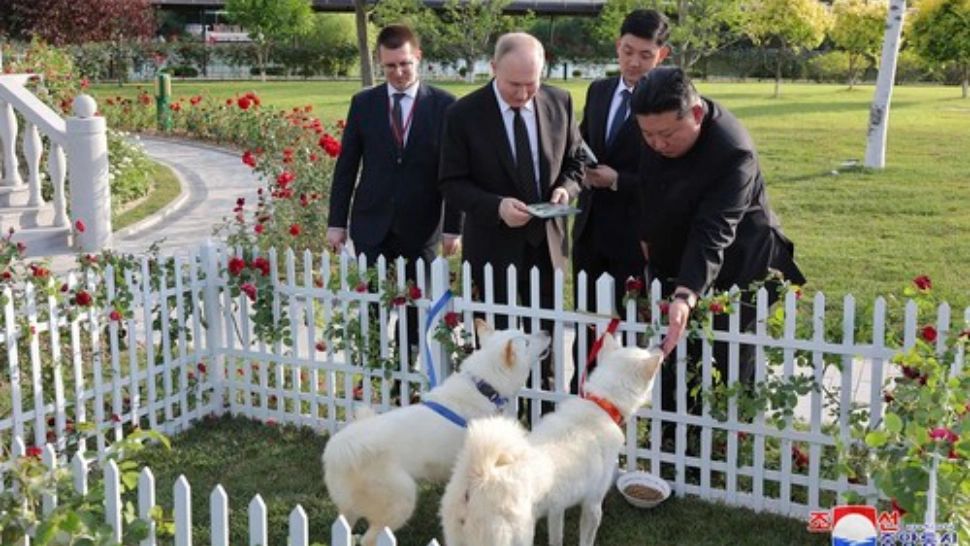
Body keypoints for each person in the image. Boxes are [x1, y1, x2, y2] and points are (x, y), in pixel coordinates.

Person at [631, 66, 807, 418]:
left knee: (731, 360)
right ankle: (676, 434)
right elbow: (649, 187)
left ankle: (731, 439)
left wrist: (686, 293)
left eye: (666, 135)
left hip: (741, 263)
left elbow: (715, 230)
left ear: (695, 114)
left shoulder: (733, 152)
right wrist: (649, 242)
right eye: (648, 135)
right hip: (682, 254)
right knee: (676, 354)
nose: (657, 144)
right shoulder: (656, 129)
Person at [439, 32, 584, 399]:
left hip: (547, 246)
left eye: (531, 84)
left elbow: (577, 161)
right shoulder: (463, 114)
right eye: (513, 84)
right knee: (497, 346)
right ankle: (499, 414)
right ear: (493, 68)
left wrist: (566, 188)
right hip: (492, 247)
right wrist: (497, 207)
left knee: (544, 338)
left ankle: (544, 412)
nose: (523, 94)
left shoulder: (559, 101)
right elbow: (451, 183)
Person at [571, 9, 670, 394]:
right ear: (617, 46)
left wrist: (618, 181)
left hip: (636, 233)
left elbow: (670, 176)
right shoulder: (599, 91)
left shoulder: (668, 99)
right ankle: (582, 390)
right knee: (589, 321)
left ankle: (627, 402)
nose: (634, 62)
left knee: (630, 329)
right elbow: (580, 142)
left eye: (645, 55)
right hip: (591, 229)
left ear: (662, 55)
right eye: (628, 51)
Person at [327, 24, 461, 290]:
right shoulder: (363, 104)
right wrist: (336, 222)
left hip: (421, 229)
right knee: (372, 314)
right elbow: (347, 167)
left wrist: (453, 228)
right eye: (389, 66)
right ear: (380, 61)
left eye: (405, 64)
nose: (398, 73)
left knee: (414, 314)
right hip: (371, 227)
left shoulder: (445, 106)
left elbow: (455, 172)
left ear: (419, 56)